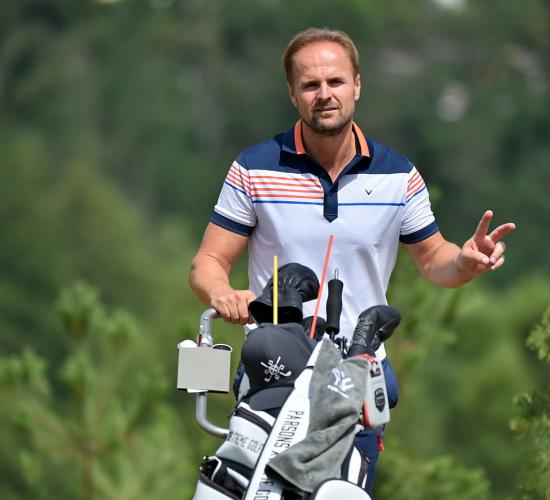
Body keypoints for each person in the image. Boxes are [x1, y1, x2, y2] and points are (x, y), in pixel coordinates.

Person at [189, 27, 516, 492]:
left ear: (357, 86)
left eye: (336, 81)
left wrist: (465, 262)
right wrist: (222, 293)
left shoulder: (399, 175)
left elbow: (433, 259)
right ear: (292, 93)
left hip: (358, 371)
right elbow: (207, 263)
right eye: (310, 84)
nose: (324, 94)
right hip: (274, 367)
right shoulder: (253, 168)